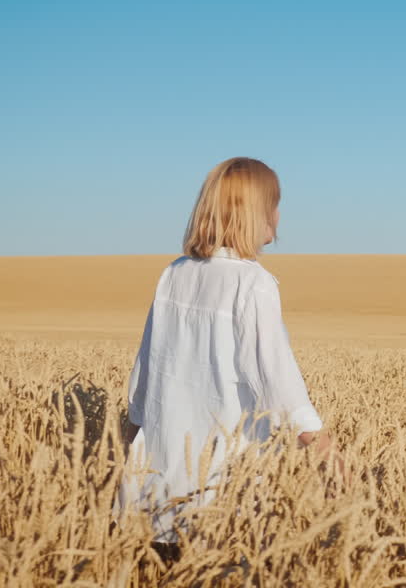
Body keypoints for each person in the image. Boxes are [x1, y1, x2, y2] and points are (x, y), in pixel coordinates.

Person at [115, 157, 331, 546]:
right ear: (257, 214)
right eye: (274, 204)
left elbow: (147, 370)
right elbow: (276, 380)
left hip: (153, 489)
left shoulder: (174, 273)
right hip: (221, 496)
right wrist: (327, 453)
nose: (279, 215)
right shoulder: (253, 283)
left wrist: (128, 443)